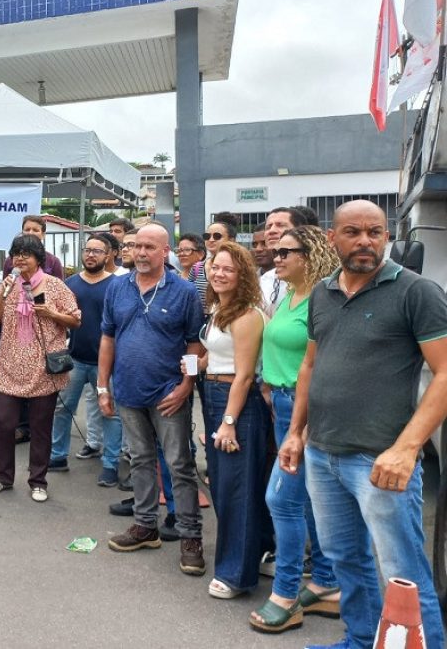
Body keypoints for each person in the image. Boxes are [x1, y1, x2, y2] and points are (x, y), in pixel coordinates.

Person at [279, 200, 447, 649]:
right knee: (346, 561)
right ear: (332, 239)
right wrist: (297, 433)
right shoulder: (323, 294)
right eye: (352, 232)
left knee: (404, 574)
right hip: (323, 455)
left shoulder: (415, 292)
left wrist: (407, 448)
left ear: (387, 236)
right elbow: (310, 367)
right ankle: (359, 640)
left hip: (380, 461)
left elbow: (445, 374)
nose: (365, 241)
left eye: (375, 232)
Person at [98, 223, 206, 576]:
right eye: (136, 246)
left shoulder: (185, 292)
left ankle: (191, 535)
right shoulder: (117, 287)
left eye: (149, 247)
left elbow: (194, 343)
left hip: (167, 395)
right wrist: (103, 386)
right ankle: (145, 526)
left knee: (179, 465)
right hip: (127, 391)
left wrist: (186, 385)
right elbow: (108, 339)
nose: (141, 253)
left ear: (165, 252)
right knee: (141, 460)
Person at [249, 225, 341, 634]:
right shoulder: (290, 294)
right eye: (277, 250)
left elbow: (318, 365)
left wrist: (298, 423)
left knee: (281, 500)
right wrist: (270, 383)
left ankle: (287, 595)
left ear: (311, 254)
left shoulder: (323, 300)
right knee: (304, 502)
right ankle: (326, 584)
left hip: (306, 411)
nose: (278, 256)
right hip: (283, 404)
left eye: (287, 251)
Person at [192, 242, 269, 599]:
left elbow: (244, 375)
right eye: (215, 267)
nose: (218, 273)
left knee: (237, 489)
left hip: (236, 403)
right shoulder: (218, 308)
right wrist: (198, 366)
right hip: (213, 395)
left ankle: (237, 574)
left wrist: (228, 421)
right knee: (223, 483)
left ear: (243, 275)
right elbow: (215, 354)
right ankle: (252, 555)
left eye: (228, 269)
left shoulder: (247, 314)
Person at [0, 234, 80, 502]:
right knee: (3, 423)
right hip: (9, 365)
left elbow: (75, 320)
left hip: (42, 369)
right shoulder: (8, 283)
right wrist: (3, 293)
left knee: (40, 427)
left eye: (27, 253)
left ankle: (38, 481)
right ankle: (3, 477)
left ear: (39, 258)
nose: (21, 258)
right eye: (17, 253)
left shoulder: (55, 286)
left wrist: (52, 314)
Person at [48, 234, 122, 483]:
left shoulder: (118, 285)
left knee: (110, 413)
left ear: (109, 254)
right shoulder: (70, 283)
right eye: (87, 250)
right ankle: (57, 456)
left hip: (108, 364)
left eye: (97, 251)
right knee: (62, 409)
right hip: (75, 359)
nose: (91, 255)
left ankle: (110, 464)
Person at [260, 207, 309, 317]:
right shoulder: (265, 280)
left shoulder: (318, 278)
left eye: (280, 225)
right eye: (268, 226)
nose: (272, 230)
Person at [190, 212, 238, 313]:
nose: (211, 240)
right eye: (207, 236)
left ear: (231, 240)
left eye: (217, 236)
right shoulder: (196, 268)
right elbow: (187, 297)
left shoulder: (240, 267)